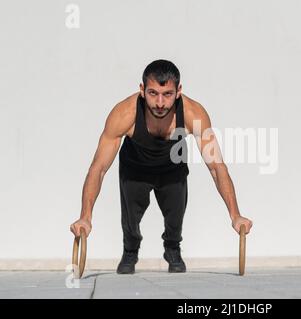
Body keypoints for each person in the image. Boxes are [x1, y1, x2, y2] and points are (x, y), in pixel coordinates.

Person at [70, 59, 253, 274]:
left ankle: (172, 249)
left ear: (178, 91)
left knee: (175, 218)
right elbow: (98, 168)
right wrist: (85, 216)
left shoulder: (194, 115)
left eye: (167, 94)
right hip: (135, 168)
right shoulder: (124, 115)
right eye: (152, 93)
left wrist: (235, 214)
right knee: (130, 220)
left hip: (173, 167)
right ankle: (130, 251)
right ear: (142, 90)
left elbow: (217, 167)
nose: (159, 102)